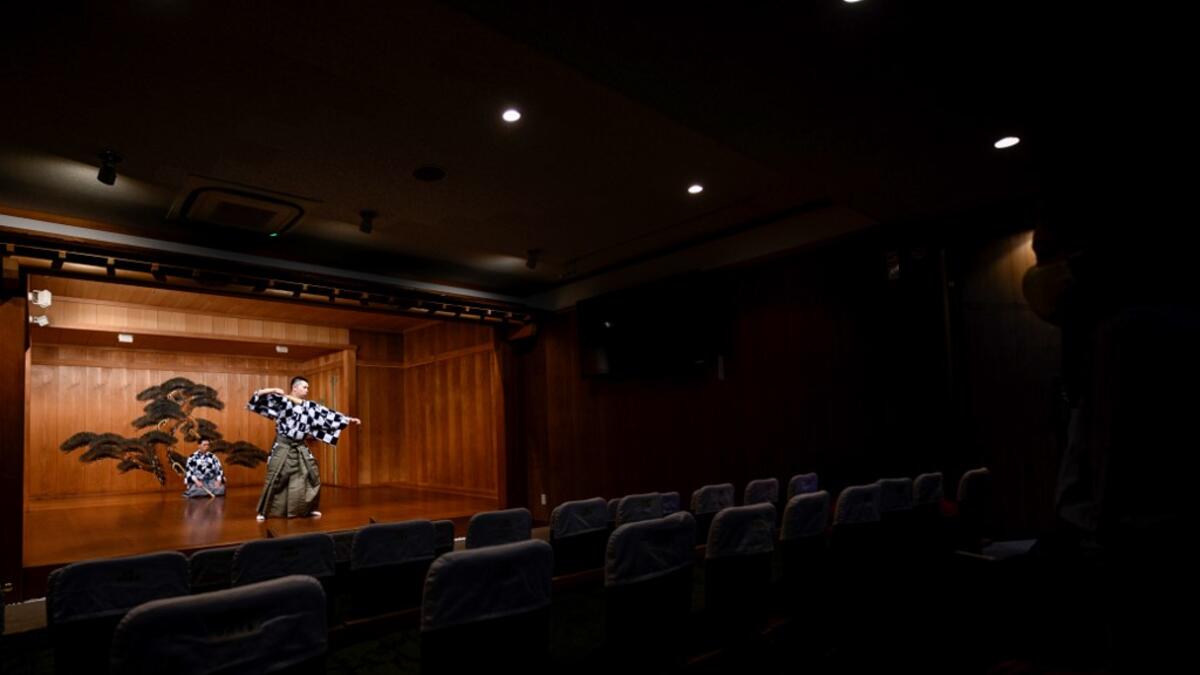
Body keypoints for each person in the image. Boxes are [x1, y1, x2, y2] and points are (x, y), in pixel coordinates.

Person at [247, 376, 361, 521]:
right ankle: (264, 511)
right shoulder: (282, 402)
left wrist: (348, 419)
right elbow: (257, 398)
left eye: (308, 387)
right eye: (304, 387)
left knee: (311, 475)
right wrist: (273, 389)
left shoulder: (309, 407)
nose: (307, 390)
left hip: (300, 446)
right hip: (283, 445)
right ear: (295, 388)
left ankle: (308, 509)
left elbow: (328, 415)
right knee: (275, 476)